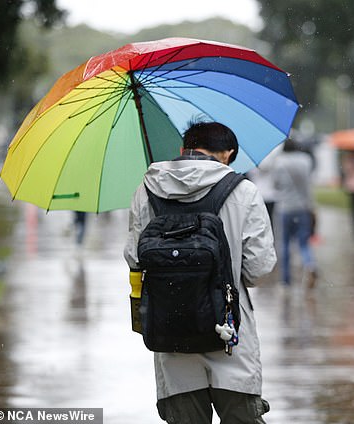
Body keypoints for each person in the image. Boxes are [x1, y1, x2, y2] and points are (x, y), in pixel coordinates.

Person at [123, 121, 276, 424]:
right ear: (228, 154)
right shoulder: (243, 191)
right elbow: (258, 269)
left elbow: (134, 258)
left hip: (170, 334)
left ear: (183, 150)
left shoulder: (147, 189)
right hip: (230, 335)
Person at [272, 138, 318, 287]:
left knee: (284, 244)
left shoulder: (279, 162)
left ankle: (285, 281)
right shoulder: (306, 160)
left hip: (285, 208)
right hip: (303, 208)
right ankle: (309, 264)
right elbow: (309, 183)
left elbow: (276, 184)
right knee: (304, 243)